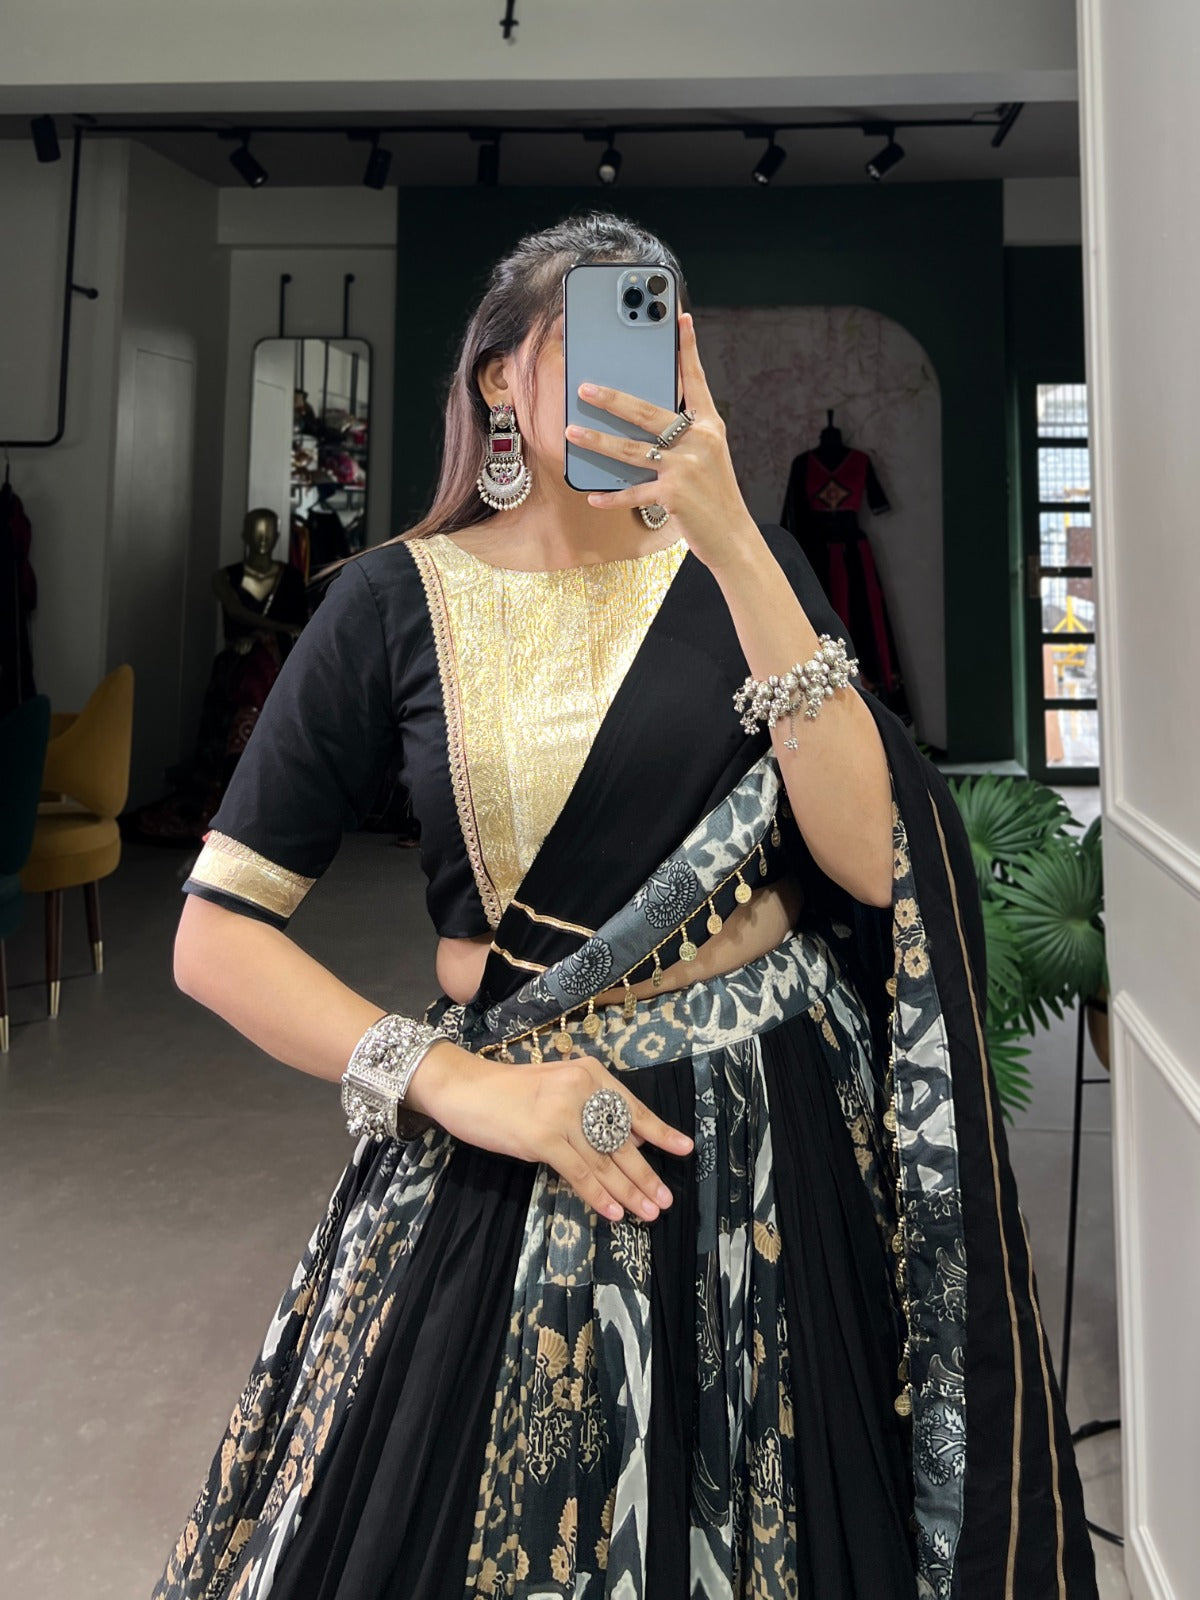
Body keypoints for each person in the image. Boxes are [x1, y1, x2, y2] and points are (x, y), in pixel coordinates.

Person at [156, 213, 1099, 1600]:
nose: (624, 376)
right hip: (526, 1138)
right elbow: (213, 937)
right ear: (498, 378)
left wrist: (734, 542)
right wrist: (461, 1089)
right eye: (586, 339)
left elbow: (870, 862)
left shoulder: (744, 566)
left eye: (651, 340)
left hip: (787, 1135)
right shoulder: (392, 602)